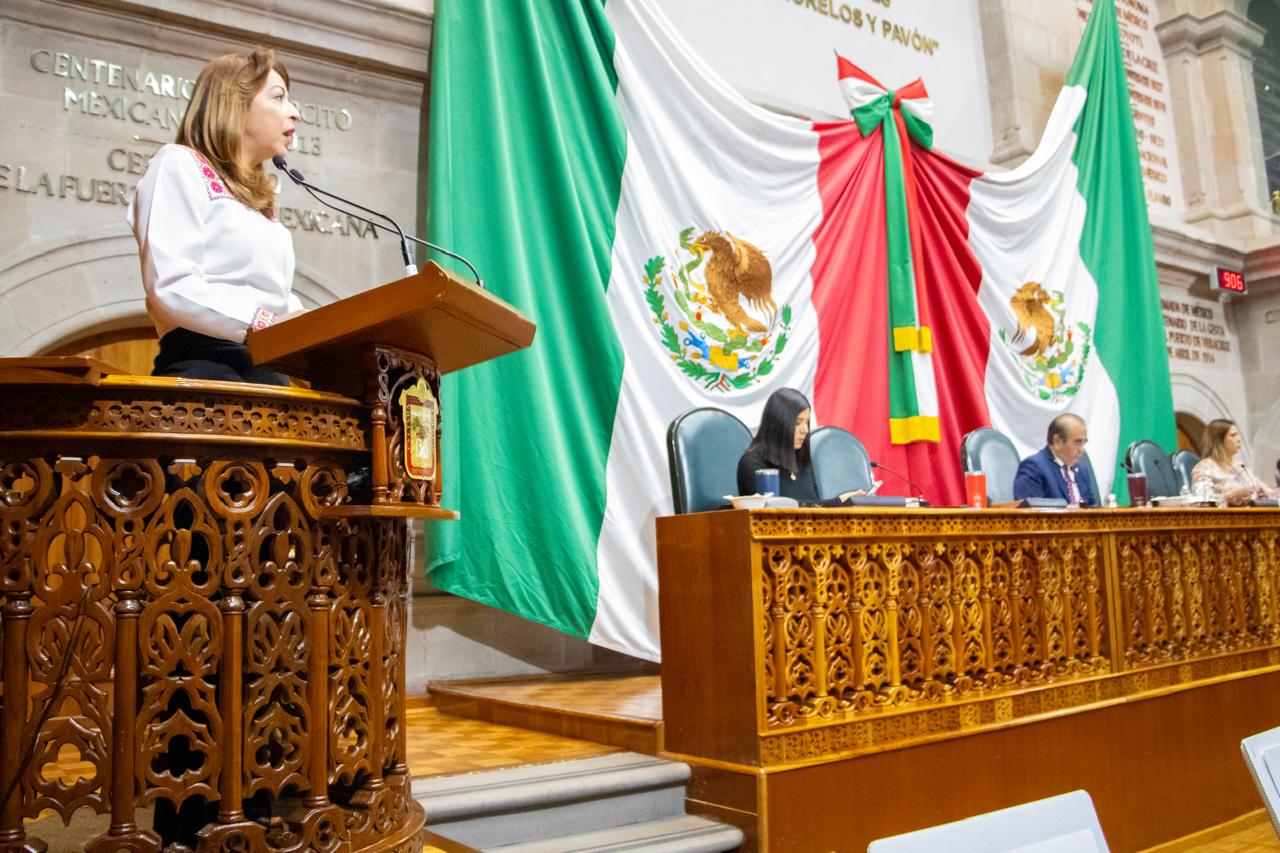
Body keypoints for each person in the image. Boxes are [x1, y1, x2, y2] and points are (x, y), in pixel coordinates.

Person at [128, 47, 303, 384]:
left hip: (271, 374)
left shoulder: (260, 200)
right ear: (233, 103)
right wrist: (264, 323)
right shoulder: (178, 164)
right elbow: (172, 285)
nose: (294, 113)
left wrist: (323, 324)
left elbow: (272, 295)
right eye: (279, 97)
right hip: (206, 374)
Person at [736, 388, 863, 504]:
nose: (805, 430)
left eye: (807, 422)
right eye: (798, 423)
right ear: (778, 425)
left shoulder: (802, 461)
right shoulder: (752, 464)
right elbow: (777, 510)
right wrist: (838, 502)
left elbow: (814, 510)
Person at [1013, 412, 1098, 506]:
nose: (1082, 450)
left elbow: (1092, 507)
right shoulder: (1033, 467)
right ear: (1057, 441)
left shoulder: (1081, 471)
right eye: (1077, 442)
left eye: (1083, 443)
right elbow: (1029, 513)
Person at [1191, 419, 1278, 506]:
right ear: (1219, 440)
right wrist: (1230, 496)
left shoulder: (1240, 467)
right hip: (1223, 518)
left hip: (1252, 515)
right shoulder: (1204, 468)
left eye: (1238, 435)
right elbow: (1200, 503)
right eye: (1233, 435)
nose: (1239, 439)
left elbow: (1268, 493)